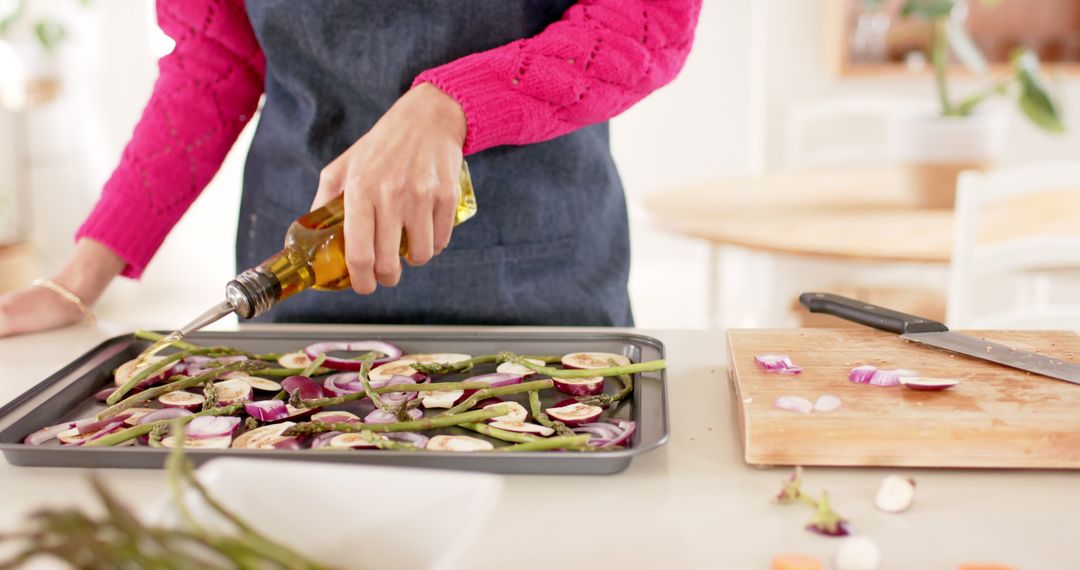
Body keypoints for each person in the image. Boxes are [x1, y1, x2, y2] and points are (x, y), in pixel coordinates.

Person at [0, 0, 701, 337]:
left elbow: (647, 21)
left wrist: (447, 108)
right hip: (300, 280)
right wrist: (78, 279)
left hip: (538, 284)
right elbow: (214, 57)